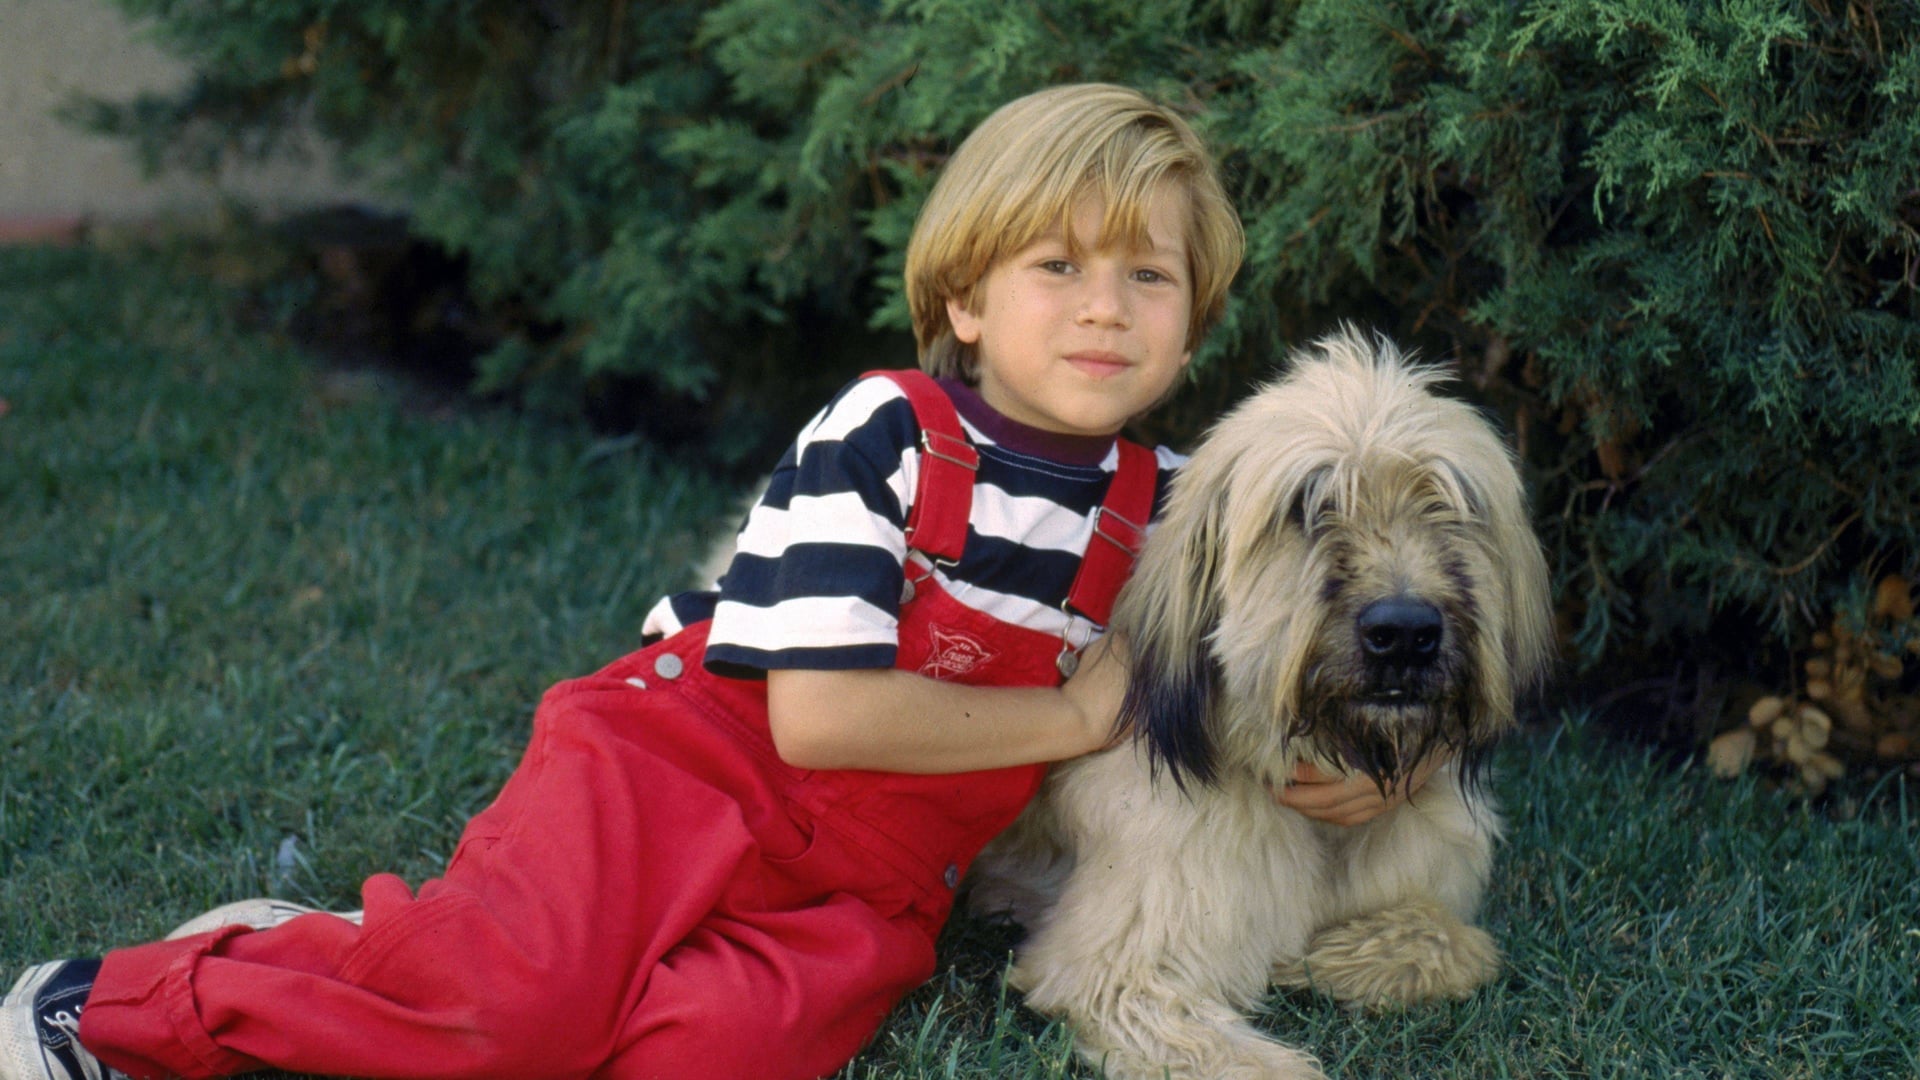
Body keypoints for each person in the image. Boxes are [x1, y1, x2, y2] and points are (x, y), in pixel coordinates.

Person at [1, 83, 1432, 1080]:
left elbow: (1281, 657)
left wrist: (1376, 769)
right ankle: (125, 1005)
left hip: (875, 884)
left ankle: (397, 962)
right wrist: (1068, 717)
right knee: (516, 1016)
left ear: (1198, 318)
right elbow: (817, 716)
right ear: (964, 298)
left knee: (711, 1054)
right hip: (685, 771)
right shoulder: (888, 433)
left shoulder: (1180, 507)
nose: (1105, 306)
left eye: (1151, 278)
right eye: (1057, 264)